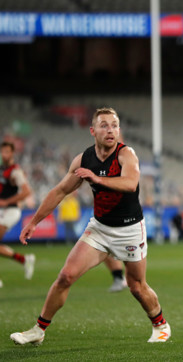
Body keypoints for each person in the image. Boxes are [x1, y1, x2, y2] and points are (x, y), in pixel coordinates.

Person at [10, 107, 171, 345]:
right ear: (92, 131)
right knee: (65, 276)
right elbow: (61, 190)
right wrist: (34, 222)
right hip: (99, 228)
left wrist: (97, 179)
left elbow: (130, 183)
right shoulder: (84, 159)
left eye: (115, 125)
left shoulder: (126, 155)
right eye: (104, 125)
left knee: (136, 286)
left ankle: (161, 325)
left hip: (129, 230)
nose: (111, 130)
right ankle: (38, 330)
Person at [0, 141, 35, 285]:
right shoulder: (2, 169)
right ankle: (24, 260)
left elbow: (27, 191)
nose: (4, 154)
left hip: (11, 211)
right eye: (2, 151)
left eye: (7, 152)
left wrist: (7, 202)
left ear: (12, 153)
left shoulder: (15, 171)